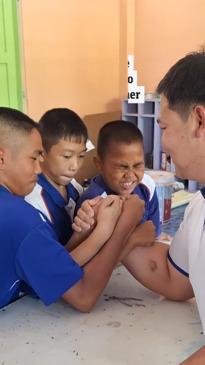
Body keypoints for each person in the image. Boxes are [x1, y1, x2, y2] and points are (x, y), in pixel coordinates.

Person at [0, 106, 145, 312]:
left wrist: (82, 232)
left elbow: (52, 265)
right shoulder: (22, 217)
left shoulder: (70, 191)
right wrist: (119, 227)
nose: (38, 169)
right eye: (34, 158)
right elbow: (83, 297)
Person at [120, 50, 205, 364]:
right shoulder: (199, 207)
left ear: (198, 120)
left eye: (165, 128)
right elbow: (174, 277)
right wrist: (116, 233)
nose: (162, 143)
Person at [76, 120, 160, 247]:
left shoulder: (147, 186)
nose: (130, 175)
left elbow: (154, 233)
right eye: (122, 167)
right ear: (99, 164)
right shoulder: (92, 203)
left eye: (138, 165)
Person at [25, 108, 88, 246]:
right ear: (42, 153)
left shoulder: (74, 187)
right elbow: (53, 264)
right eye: (67, 156)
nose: (75, 166)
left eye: (81, 156)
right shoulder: (34, 200)